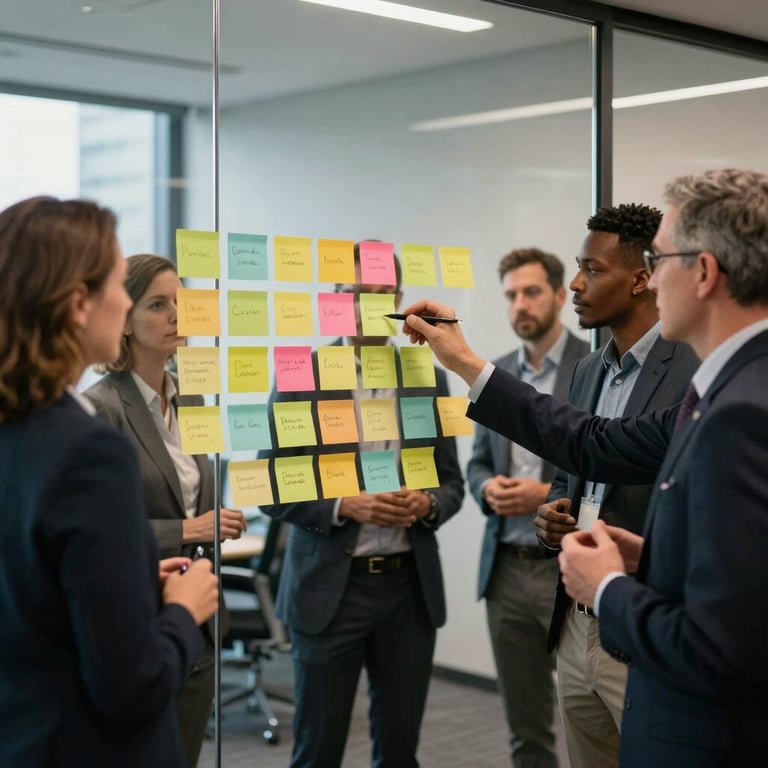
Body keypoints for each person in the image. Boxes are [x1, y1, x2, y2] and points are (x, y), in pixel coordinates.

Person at [399, 168, 768, 767]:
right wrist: (645, 558)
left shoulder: (741, 406)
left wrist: (609, 585)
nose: (577, 284)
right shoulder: (725, 385)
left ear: (701, 273)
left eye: (663, 258)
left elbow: (726, 641)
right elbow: (594, 443)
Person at [0, 196, 219, 767]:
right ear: (79, 304)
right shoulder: (89, 446)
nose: (123, 304)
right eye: (121, 288)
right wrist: (181, 611)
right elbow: (133, 687)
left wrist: (125, 577)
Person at [259, 244, 465, 768]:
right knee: (318, 752)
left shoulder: (425, 375)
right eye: (356, 295)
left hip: (407, 590)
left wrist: (427, 502)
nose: (369, 307)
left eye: (380, 295)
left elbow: (451, 483)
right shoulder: (302, 375)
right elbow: (271, 483)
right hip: (331, 588)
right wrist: (341, 504)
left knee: (399, 753)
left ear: (397, 300)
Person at [534, 204, 698, 768]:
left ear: (641, 278)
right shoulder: (586, 369)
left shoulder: (693, 368)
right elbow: (570, 468)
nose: (576, 285)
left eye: (592, 269)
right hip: (574, 621)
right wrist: (553, 516)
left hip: (640, 621)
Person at [84, 253, 247, 767]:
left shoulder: (194, 402)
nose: (177, 315)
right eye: (158, 304)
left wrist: (213, 520)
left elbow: (193, 495)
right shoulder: (99, 408)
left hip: (195, 622)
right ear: (125, 321)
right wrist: (188, 527)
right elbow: (97, 536)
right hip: (135, 624)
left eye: (182, 302)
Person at [467, 248, 588, 768]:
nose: (521, 304)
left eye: (532, 291)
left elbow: (608, 463)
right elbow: (474, 465)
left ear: (560, 296)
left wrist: (544, 495)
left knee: (591, 714)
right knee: (526, 728)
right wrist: (487, 490)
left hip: (569, 567)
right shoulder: (495, 375)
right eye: (512, 295)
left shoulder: (593, 367)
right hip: (506, 572)